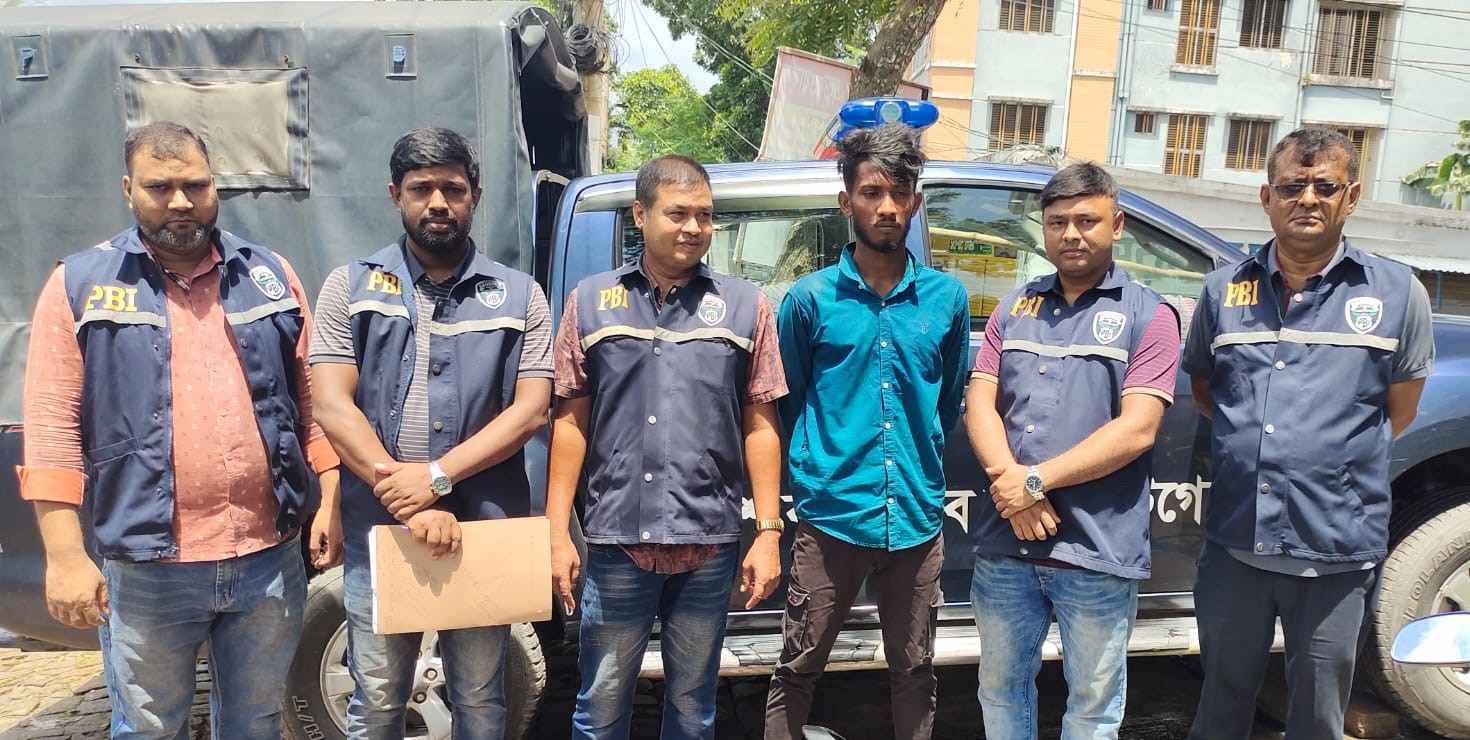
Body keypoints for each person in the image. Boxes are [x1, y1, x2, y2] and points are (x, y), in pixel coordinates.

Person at [18, 120, 341, 738]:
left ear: (215, 185)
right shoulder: (82, 285)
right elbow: (53, 428)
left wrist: (330, 496)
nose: (180, 202)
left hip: (267, 557)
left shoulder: (269, 274)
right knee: (148, 727)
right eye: (159, 187)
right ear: (128, 190)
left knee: (256, 721)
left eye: (195, 185)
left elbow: (309, 398)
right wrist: (64, 557)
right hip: (148, 567)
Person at [1184, 128, 1434, 739]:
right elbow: (1207, 392)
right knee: (1220, 708)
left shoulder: (1398, 292)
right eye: (1293, 186)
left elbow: (1398, 410)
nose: (1308, 199)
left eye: (1325, 186)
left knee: (1319, 719)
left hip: (1336, 548)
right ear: (1267, 197)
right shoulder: (1223, 290)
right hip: (1236, 544)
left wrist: (1325, 458)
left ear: (1352, 197)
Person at [310, 127, 553, 739]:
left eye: (453, 188)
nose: (438, 202)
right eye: (421, 189)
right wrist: (408, 496)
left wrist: (437, 478)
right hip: (383, 529)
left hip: (483, 529)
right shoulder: (350, 286)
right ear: (396, 195)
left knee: (480, 698)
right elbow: (332, 405)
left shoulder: (519, 295)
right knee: (376, 699)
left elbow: (531, 412)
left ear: (475, 197)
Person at [546, 154, 786, 740]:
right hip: (617, 543)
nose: (693, 227)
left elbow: (761, 424)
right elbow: (570, 422)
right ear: (640, 214)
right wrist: (555, 532)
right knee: (600, 707)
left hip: (709, 543)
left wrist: (768, 533)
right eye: (677, 213)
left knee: (693, 707)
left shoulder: (746, 305)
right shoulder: (591, 301)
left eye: (704, 215)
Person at [763, 123, 971, 740]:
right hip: (831, 518)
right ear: (845, 200)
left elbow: (945, 404)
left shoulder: (946, 299)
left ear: (916, 201)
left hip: (916, 520)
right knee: (797, 668)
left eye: (900, 192)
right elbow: (789, 401)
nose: (887, 206)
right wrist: (824, 466)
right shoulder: (809, 301)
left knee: (915, 670)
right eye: (872, 192)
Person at [964, 162, 1180, 739]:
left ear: (1118, 224)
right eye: (1057, 222)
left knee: (1092, 707)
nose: (1071, 234)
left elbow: (1137, 428)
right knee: (1000, 691)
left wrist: (1034, 482)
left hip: (1096, 550)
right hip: (1007, 547)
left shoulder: (1150, 315)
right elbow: (979, 404)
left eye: (1087, 221)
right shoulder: (1014, 308)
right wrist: (1013, 486)